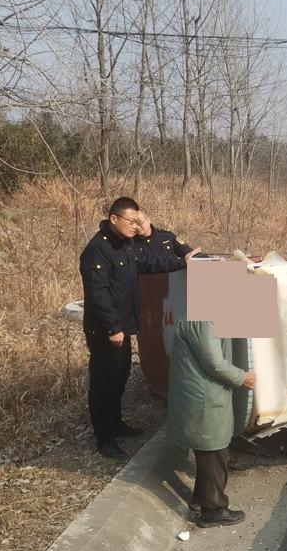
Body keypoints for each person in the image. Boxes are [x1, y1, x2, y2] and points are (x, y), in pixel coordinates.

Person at [80, 196, 199, 461]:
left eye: (138, 221)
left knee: (120, 375)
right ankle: (104, 437)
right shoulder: (97, 251)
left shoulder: (126, 245)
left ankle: (115, 423)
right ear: (114, 219)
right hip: (105, 330)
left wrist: (183, 261)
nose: (137, 226)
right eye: (132, 221)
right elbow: (98, 294)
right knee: (104, 381)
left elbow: (151, 261)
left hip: (122, 327)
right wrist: (112, 328)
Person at [167, 319, 256, 527]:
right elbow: (214, 363)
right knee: (213, 451)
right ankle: (214, 510)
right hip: (203, 397)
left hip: (205, 394)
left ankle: (200, 499)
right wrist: (243, 377)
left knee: (209, 450)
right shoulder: (203, 319)